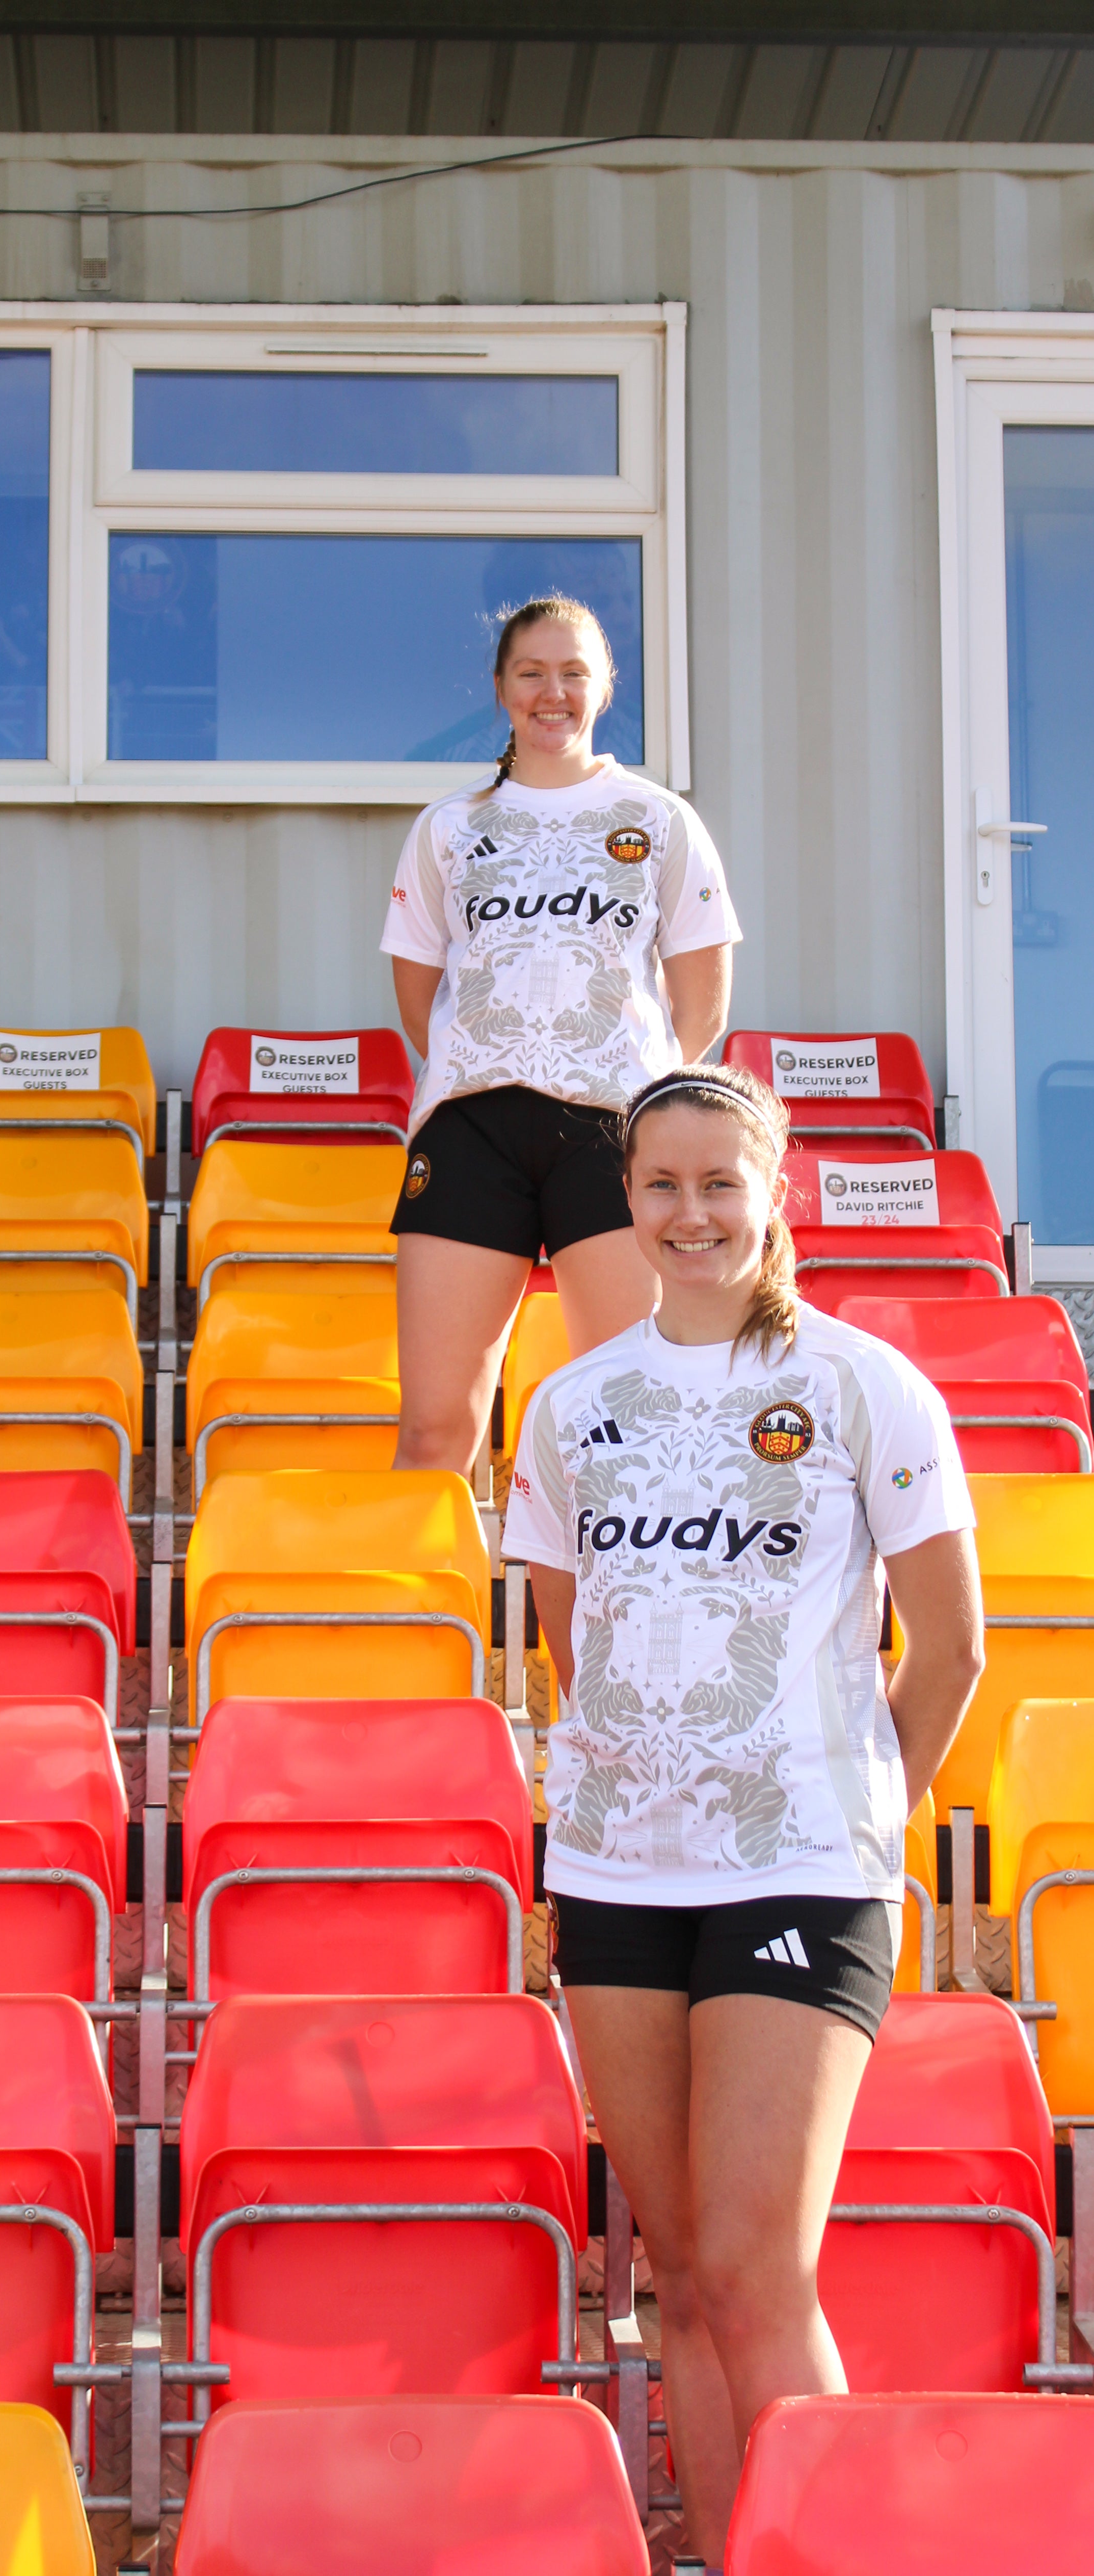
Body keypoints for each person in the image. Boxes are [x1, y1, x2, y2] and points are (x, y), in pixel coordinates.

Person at [503, 1060, 983, 2566]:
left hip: (800, 1866)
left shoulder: (860, 1383)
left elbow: (952, 1647)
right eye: (661, 1183)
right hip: (616, 1873)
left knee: (760, 2270)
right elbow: (572, 1644)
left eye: (721, 1181)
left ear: (773, 1192)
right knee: (687, 2280)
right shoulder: (572, 1404)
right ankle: (730, 2549)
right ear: (625, 1197)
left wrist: (851, 1809)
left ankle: (827, 2553)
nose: (690, 1211)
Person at [381, 594, 742, 1477]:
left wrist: (625, 1084)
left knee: (630, 1425)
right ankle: (430, 1578)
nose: (553, 693)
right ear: (500, 688)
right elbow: (422, 1001)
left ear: (605, 687)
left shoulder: (659, 819)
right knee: (433, 1432)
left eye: (573, 673)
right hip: (471, 1133)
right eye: (532, 673)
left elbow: (701, 1006)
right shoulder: (448, 827)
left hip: (611, 1135)